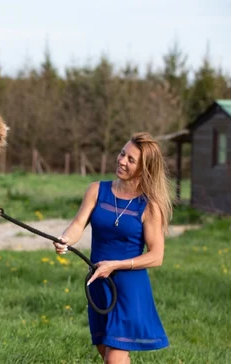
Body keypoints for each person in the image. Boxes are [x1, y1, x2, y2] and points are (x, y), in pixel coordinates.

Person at [54, 132, 172, 363]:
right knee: (104, 351)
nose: (121, 161)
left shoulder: (149, 206)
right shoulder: (97, 190)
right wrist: (65, 239)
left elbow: (157, 256)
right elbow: (78, 224)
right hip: (99, 284)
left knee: (113, 358)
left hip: (128, 288)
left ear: (144, 168)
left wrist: (116, 265)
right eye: (122, 153)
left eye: (131, 160)